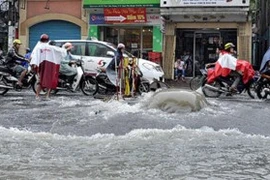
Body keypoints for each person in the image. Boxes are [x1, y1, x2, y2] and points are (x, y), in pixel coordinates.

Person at [30, 34, 67, 100]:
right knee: (49, 80)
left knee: (40, 80)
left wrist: (33, 65)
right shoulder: (51, 47)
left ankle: (37, 96)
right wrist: (64, 47)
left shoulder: (38, 47)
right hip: (50, 66)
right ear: (48, 40)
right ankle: (47, 96)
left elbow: (34, 57)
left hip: (41, 65)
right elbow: (61, 52)